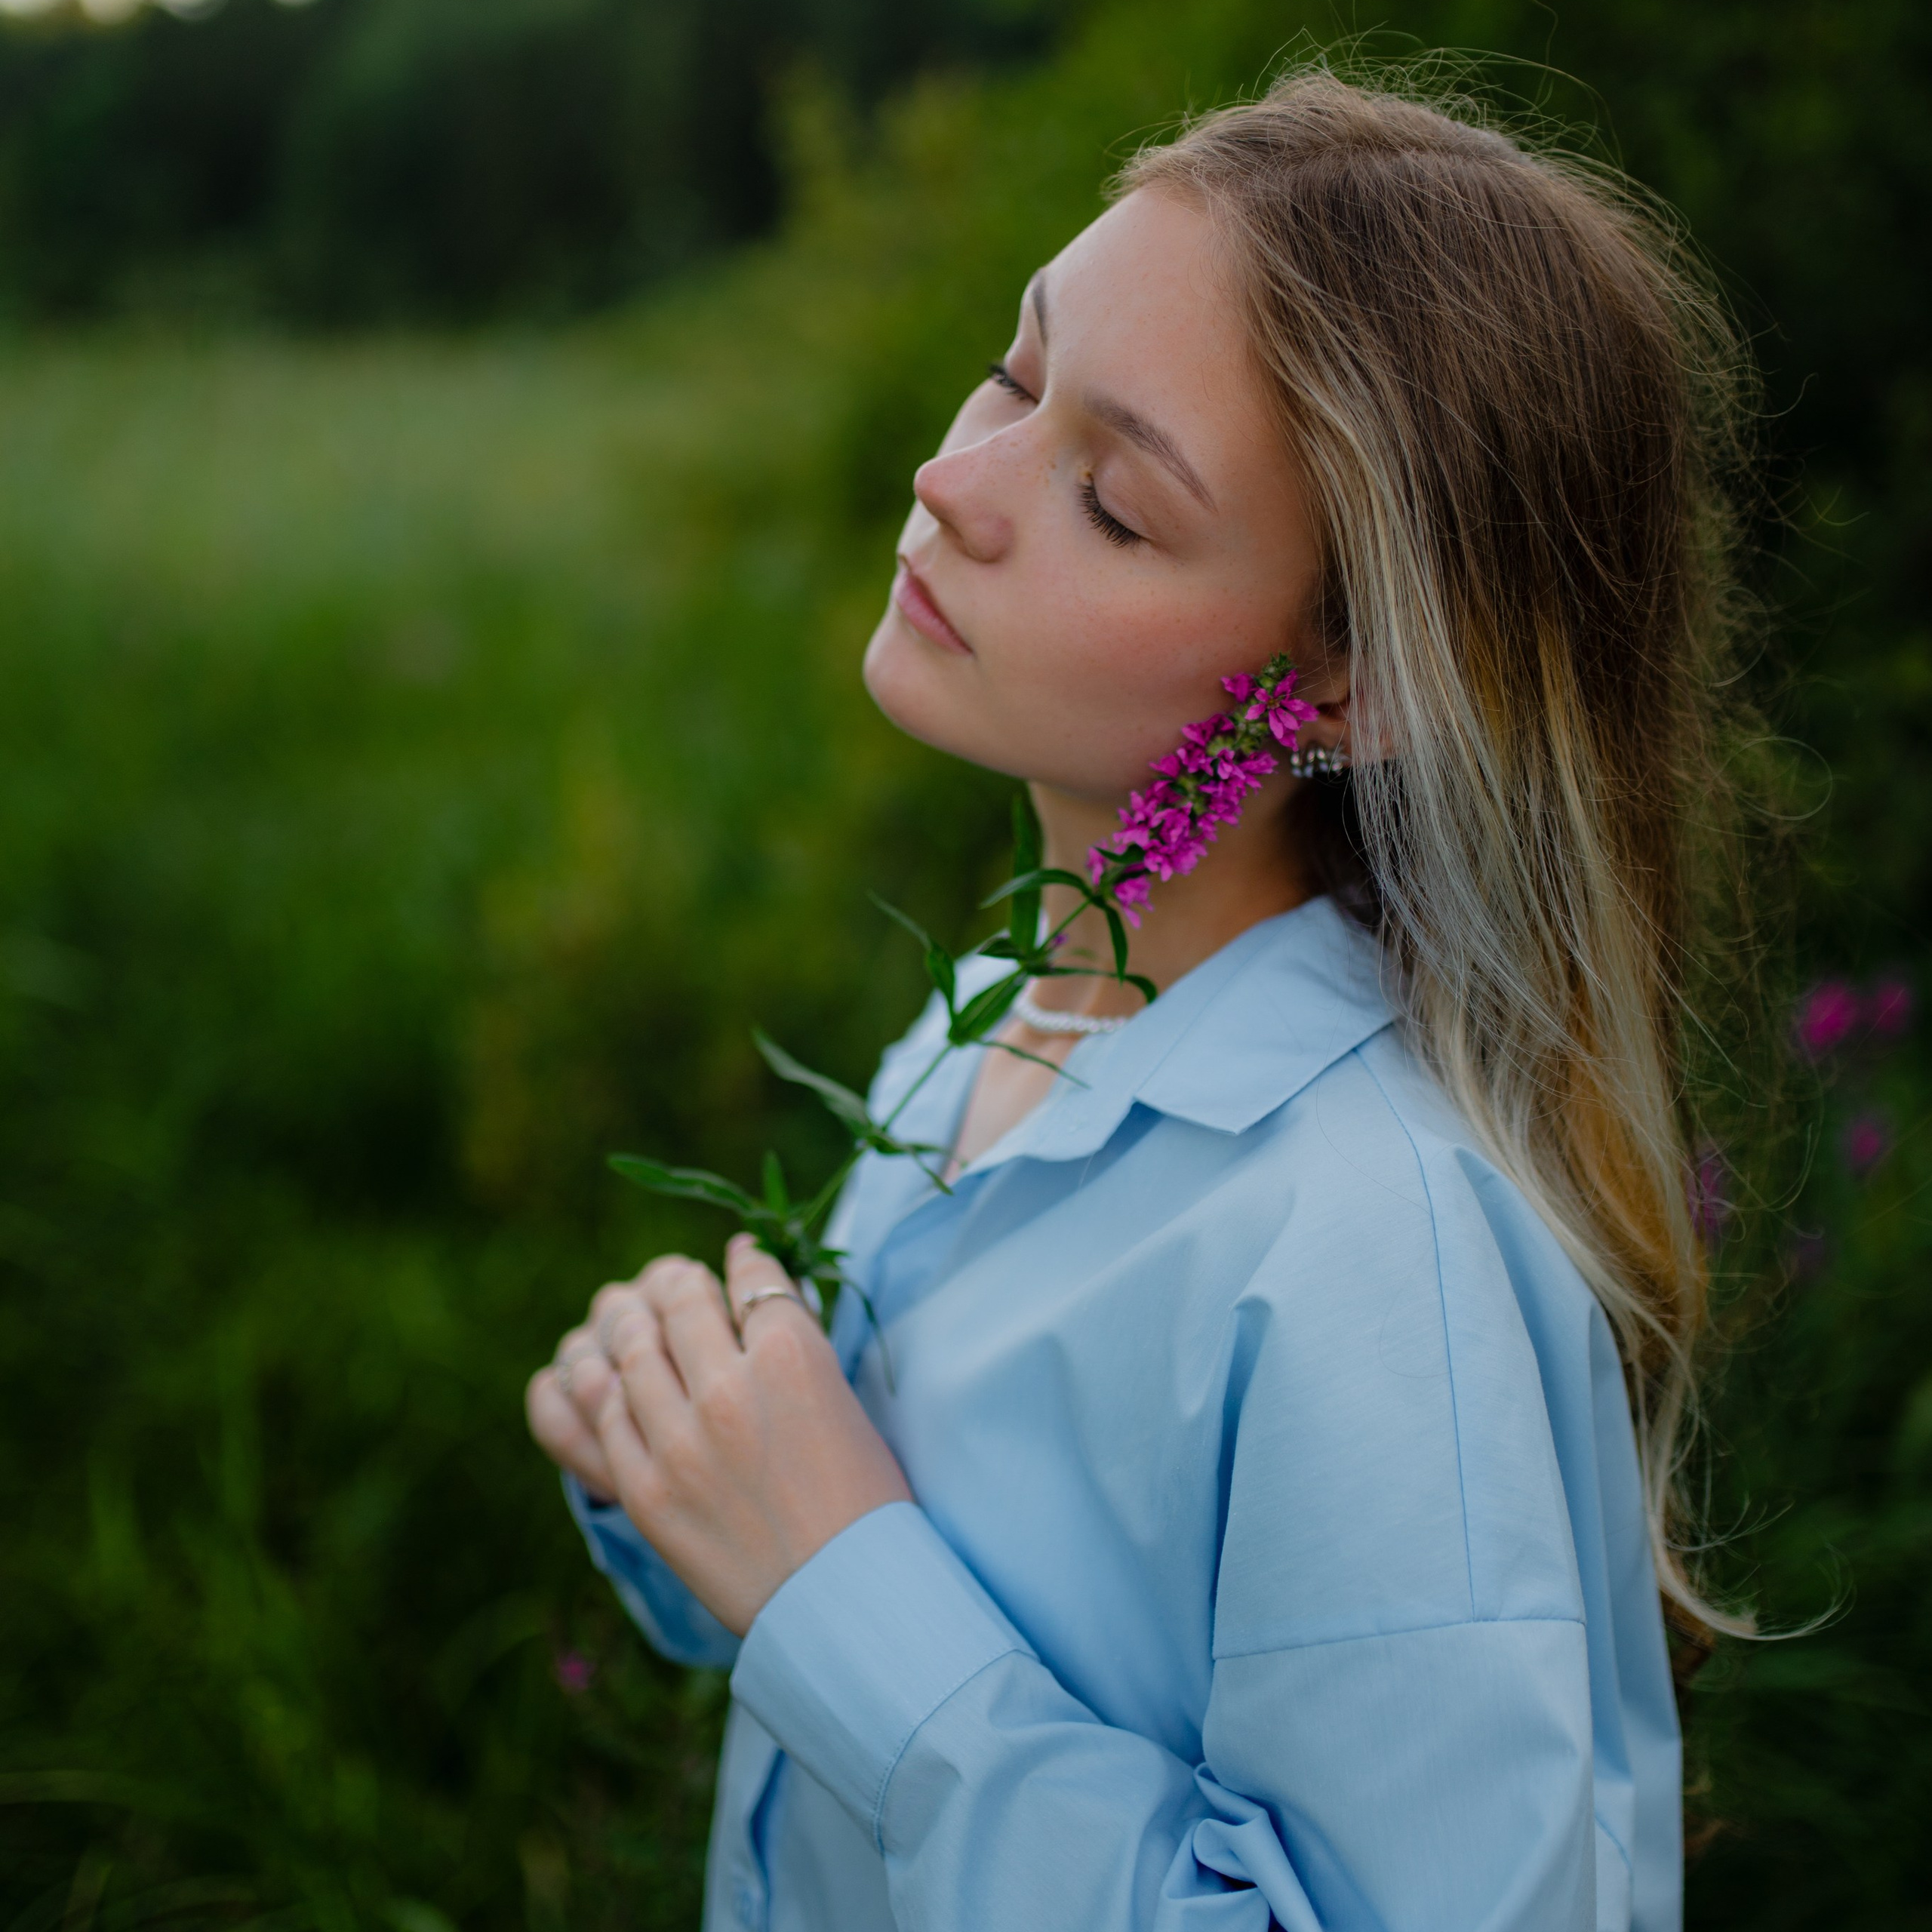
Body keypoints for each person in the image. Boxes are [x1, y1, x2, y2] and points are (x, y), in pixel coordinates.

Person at [525, 68, 1758, 1932]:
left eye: (1109, 501)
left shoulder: (1370, 1250)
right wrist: (693, 1461)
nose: (950, 481)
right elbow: (907, 1616)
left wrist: (833, 1585)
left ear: (1348, 683)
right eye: (1012, 374)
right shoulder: (999, 1016)